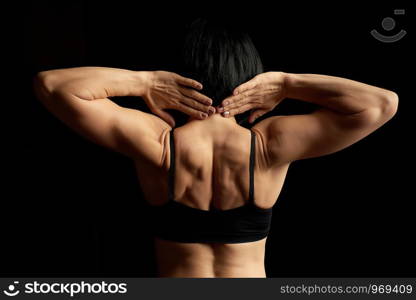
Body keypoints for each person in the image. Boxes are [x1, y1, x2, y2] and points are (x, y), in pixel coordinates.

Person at [33, 18, 398, 277]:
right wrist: (288, 84)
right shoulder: (268, 145)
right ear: (251, 76)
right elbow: (380, 104)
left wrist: (143, 82)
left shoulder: (158, 143)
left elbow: (52, 86)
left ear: (179, 74)